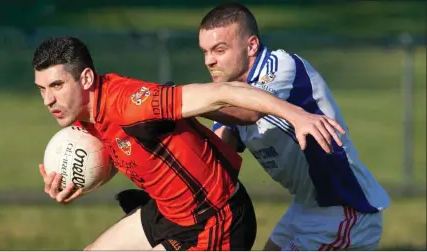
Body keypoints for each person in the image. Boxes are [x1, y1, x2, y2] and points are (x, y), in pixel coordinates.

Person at [33, 36, 344, 251]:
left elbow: (223, 93)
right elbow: (121, 149)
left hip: (216, 218)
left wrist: (298, 115)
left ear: (86, 79)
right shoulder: (83, 119)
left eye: (57, 85)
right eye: (42, 88)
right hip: (168, 212)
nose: (48, 100)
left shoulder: (131, 104)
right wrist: (79, 181)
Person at [198, 3, 391, 251]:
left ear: (252, 45)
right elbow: (220, 153)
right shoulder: (229, 97)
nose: (209, 61)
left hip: (344, 211)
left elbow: (250, 111)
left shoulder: (280, 66)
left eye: (219, 50)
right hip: (305, 207)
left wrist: (179, 102)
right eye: (205, 52)